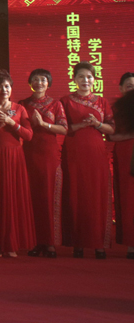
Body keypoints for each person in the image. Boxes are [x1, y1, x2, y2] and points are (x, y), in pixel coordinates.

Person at [60, 62, 115, 258]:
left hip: (96, 154)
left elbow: (111, 128)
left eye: (89, 77)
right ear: (74, 79)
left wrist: (97, 124)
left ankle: (99, 244)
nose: (85, 80)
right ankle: (78, 243)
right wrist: (82, 125)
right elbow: (62, 128)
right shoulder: (65, 101)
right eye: (81, 76)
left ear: (94, 79)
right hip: (74, 153)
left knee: (97, 196)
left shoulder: (102, 102)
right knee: (76, 195)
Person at [0, 69, 36, 258]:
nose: (4, 90)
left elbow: (28, 135)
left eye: (7, 86)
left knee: (13, 198)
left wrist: (11, 123)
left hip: (15, 158)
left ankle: (12, 243)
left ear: (11, 88)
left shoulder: (19, 108)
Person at [20, 68, 66, 258]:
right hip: (28, 154)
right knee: (31, 198)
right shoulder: (23, 104)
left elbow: (64, 129)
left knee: (48, 197)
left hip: (49, 155)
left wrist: (43, 124)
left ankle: (50, 243)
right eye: (35, 79)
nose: (39, 83)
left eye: (43, 80)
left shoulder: (56, 104)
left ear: (48, 83)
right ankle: (34, 241)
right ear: (30, 83)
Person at [110, 72, 134, 259]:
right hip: (126, 155)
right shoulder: (116, 109)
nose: (132, 88)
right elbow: (112, 136)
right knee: (128, 200)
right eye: (129, 85)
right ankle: (131, 244)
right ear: (121, 88)